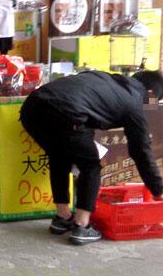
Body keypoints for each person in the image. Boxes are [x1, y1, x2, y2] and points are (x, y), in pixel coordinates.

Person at [20, 70, 163, 245]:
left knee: (59, 156)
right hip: (66, 112)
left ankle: (63, 217)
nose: (153, 105)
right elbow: (141, 150)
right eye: (156, 100)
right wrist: (158, 189)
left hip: (31, 108)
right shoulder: (135, 101)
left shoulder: (107, 79)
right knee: (91, 166)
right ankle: (82, 225)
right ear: (150, 93)